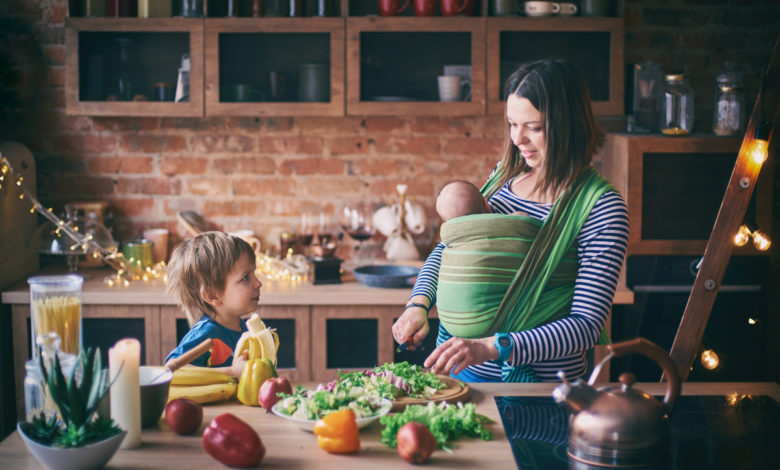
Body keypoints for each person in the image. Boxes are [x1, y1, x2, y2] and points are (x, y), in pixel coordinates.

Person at [392, 59, 629, 382]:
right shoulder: (504, 177)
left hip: (541, 391)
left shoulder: (600, 208)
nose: (518, 139)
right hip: (460, 378)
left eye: (534, 127)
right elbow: (451, 247)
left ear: (568, 124)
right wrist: (418, 304)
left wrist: (492, 347)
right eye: (511, 124)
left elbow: (585, 327)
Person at [165, 231, 263, 378]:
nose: (258, 283)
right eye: (245, 278)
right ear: (212, 295)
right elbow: (172, 370)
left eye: (254, 274)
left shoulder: (241, 326)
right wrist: (232, 372)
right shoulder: (206, 334)